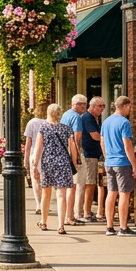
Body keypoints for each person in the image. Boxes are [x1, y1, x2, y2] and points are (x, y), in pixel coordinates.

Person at [34, 103, 79, 234]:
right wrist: (75, 162)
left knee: (46, 193)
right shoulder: (66, 129)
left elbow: (38, 147)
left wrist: (34, 164)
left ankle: (43, 221)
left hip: (48, 162)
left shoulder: (43, 128)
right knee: (61, 194)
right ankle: (61, 225)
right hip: (63, 163)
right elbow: (72, 146)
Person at [101, 96, 136, 236]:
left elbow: (102, 142)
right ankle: (123, 227)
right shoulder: (124, 123)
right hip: (122, 162)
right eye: (129, 107)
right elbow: (127, 144)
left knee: (111, 193)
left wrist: (107, 157)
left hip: (110, 162)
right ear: (125, 106)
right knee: (124, 194)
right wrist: (134, 165)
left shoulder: (106, 122)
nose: (129, 110)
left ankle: (109, 226)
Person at [75, 97, 106, 222]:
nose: (102, 108)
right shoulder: (88, 117)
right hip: (89, 155)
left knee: (91, 183)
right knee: (90, 183)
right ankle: (86, 212)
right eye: (100, 106)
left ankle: (86, 210)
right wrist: (107, 139)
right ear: (92, 106)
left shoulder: (93, 118)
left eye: (103, 106)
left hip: (92, 154)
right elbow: (95, 135)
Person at [60, 95, 88, 226]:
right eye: (82, 104)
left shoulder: (65, 115)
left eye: (85, 104)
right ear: (75, 104)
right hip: (72, 153)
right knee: (74, 185)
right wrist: (76, 158)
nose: (84, 107)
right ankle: (70, 216)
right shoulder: (76, 117)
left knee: (68, 186)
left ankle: (68, 215)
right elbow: (76, 139)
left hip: (63, 152)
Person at [24, 102, 48, 214]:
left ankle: (39, 204)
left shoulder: (32, 123)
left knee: (36, 180)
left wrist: (26, 161)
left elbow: (28, 143)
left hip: (34, 153)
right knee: (46, 181)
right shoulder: (50, 123)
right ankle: (44, 203)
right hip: (48, 154)